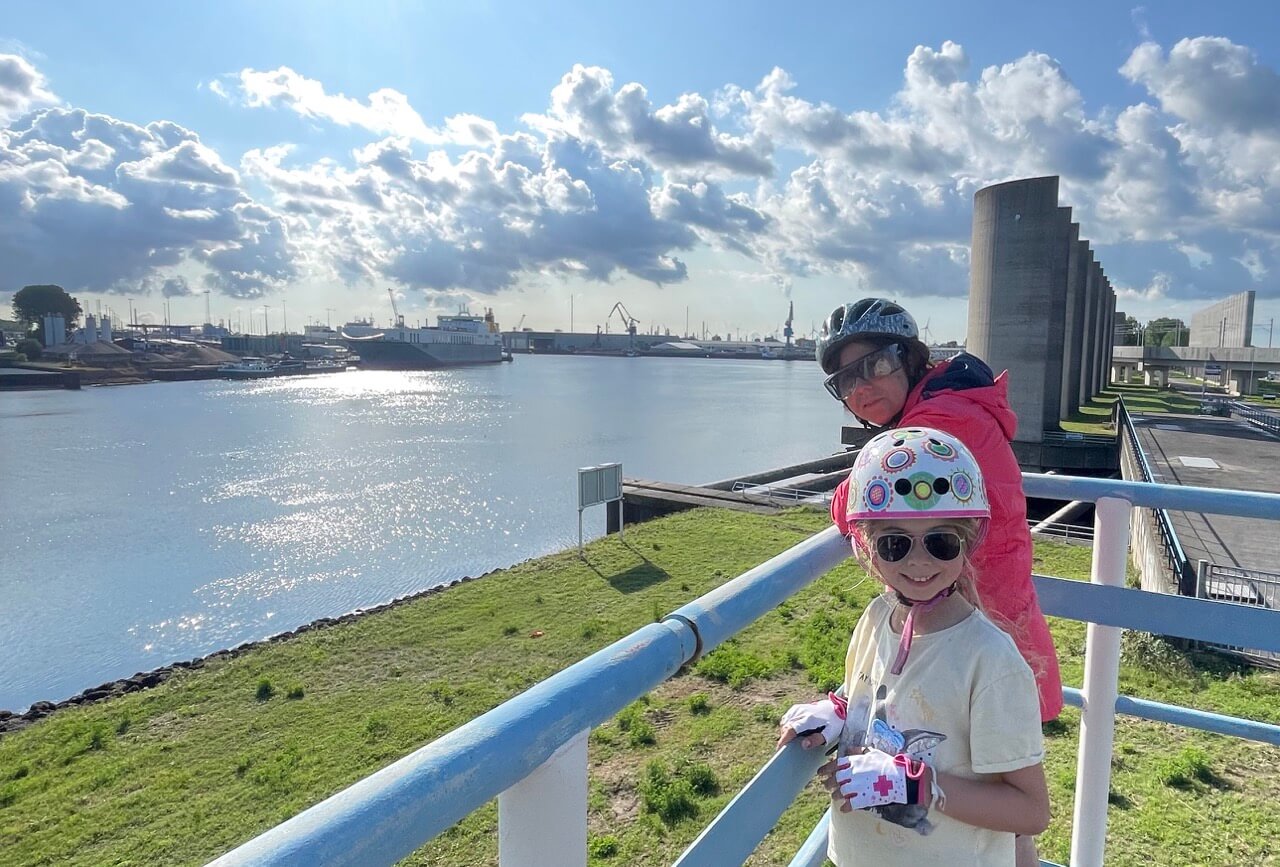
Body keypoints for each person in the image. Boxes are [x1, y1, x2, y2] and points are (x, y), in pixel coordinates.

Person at [778, 427, 1050, 866]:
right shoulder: (876, 619)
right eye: (895, 544)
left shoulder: (989, 661)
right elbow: (875, 699)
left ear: (967, 543)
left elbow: (1031, 810)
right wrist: (841, 713)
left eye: (941, 542)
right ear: (869, 548)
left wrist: (917, 784)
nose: (919, 561)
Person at [815, 298, 1062, 724]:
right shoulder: (953, 405)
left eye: (874, 365)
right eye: (845, 380)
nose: (861, 388)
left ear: (909, 359)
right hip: (976, 627)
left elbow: (853, 503)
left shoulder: (937, 426)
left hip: (978, 646)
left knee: (988, 761)